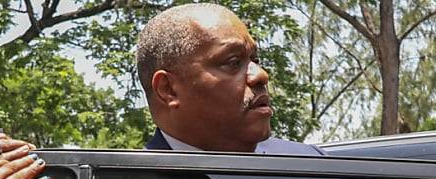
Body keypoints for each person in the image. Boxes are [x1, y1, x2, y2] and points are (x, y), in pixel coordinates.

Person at [136, 3, 322, 155]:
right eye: (233, 62)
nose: (261, 75)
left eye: (255, 60)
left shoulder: (314, 166)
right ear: (168, 89)